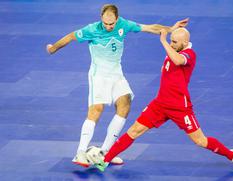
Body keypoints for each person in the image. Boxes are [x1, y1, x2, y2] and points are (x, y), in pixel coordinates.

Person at [46, 4, 189, 167]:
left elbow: (150, 28)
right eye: (106, 23)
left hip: (116, 75)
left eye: (111, 24)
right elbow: (71, 36)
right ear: (101, 18)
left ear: (117, 19)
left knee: (125, 105)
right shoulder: (91, 29)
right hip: (98, 76)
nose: (108, 27)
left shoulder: (124, 25)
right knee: (96, 110)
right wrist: (53, 48)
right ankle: (80, 152)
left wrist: (170, 29)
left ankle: (105, 153)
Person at [93, 28, 233, 172]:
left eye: (174, 42)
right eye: (171, 41)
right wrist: (172, 29)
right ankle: (104, 161)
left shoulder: (189, 54)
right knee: (134, 131)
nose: (171, 44)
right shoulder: (175, 48)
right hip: (160, 104)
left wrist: (163, 42)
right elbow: (170, 51)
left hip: (180, 108)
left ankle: (232, 155)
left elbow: (178, 60)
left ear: (185, 43)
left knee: (200, 141)